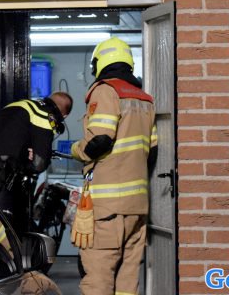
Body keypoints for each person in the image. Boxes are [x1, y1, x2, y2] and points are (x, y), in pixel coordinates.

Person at [71, 36, 157, 295]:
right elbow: (151, 151)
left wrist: (76, 150)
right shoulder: (144, 99)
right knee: (127, 282)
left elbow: (100, 141)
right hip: (137, 207)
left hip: (107, 208)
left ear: (100, 63)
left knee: (98, 278)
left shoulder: (105, 91)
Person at [0, 91, 73, 234]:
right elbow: (39, 163)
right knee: (5, 231)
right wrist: (29, 164)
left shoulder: (20, 105)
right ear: (64, 116)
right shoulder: (44, 115)